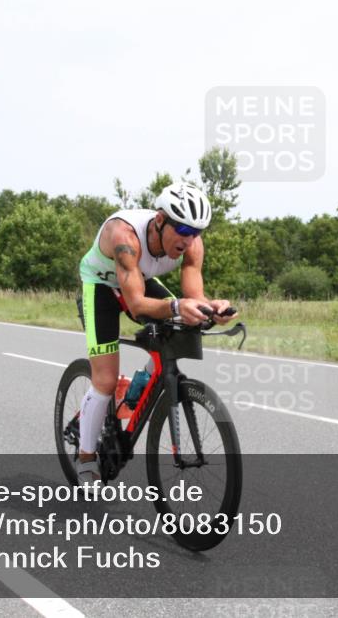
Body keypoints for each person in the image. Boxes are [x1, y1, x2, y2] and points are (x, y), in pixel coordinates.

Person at [75, 183, 237, 486]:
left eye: (197, 232)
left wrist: (211, 308)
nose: (189, 239)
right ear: (160, 220)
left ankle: (135, 392)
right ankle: (85, 459)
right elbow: (137, 304)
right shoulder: (124, 235)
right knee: (105, 381)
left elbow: (193, 294)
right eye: (183, 230)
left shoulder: (192, 244)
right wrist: (176, 306)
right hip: (100, 286)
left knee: (184, 324)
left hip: (138, 278)